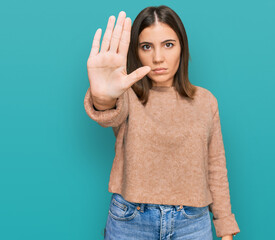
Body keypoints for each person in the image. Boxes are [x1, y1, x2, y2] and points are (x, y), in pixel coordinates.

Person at [83, 5, 240, 240]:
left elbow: (215, 167)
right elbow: (108, 114)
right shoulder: (126, 95)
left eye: (168, 44)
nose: (158, 58)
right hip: (131, 222)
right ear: (136, 52)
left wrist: (225, 228)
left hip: (192, 225)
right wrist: (102, 98)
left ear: (182, 48)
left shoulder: (205, 101)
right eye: (146, 47)